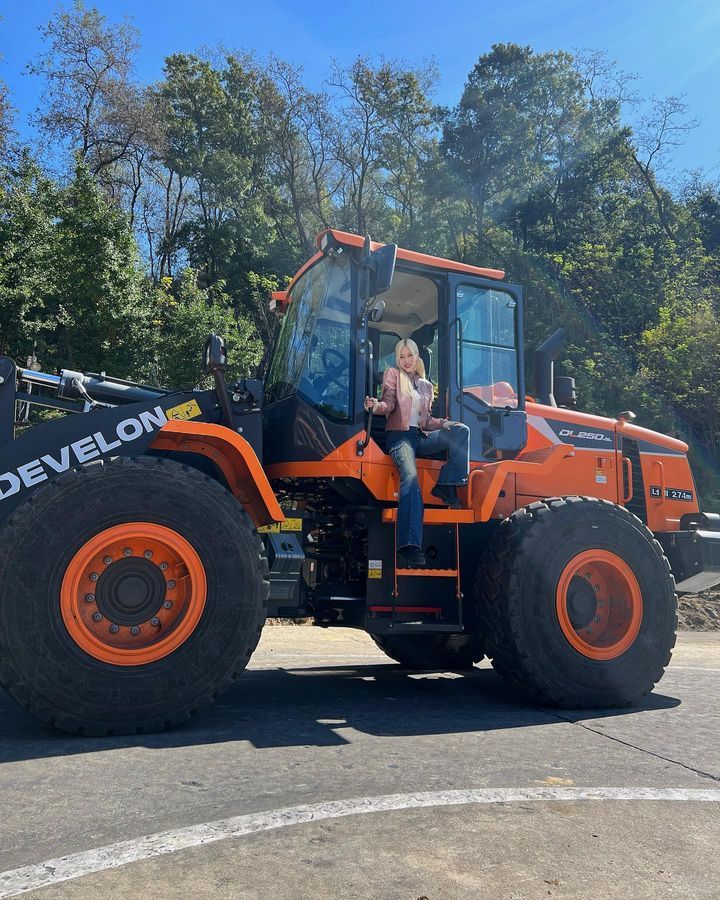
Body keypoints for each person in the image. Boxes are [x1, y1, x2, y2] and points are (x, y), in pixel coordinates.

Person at [364, 338, 470, 568]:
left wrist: (444, 424)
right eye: (401, 357)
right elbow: (388, 405)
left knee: (461, 431)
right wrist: (375, 405)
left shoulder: (425, 386)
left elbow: (426, 421)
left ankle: (445, 483)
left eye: (409, 355)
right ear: (397, 359)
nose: (406, 361)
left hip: (420, 437)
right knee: (410, 478)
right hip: (400, 437)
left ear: (416, 355)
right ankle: (409, 545)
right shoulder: (393, 375)